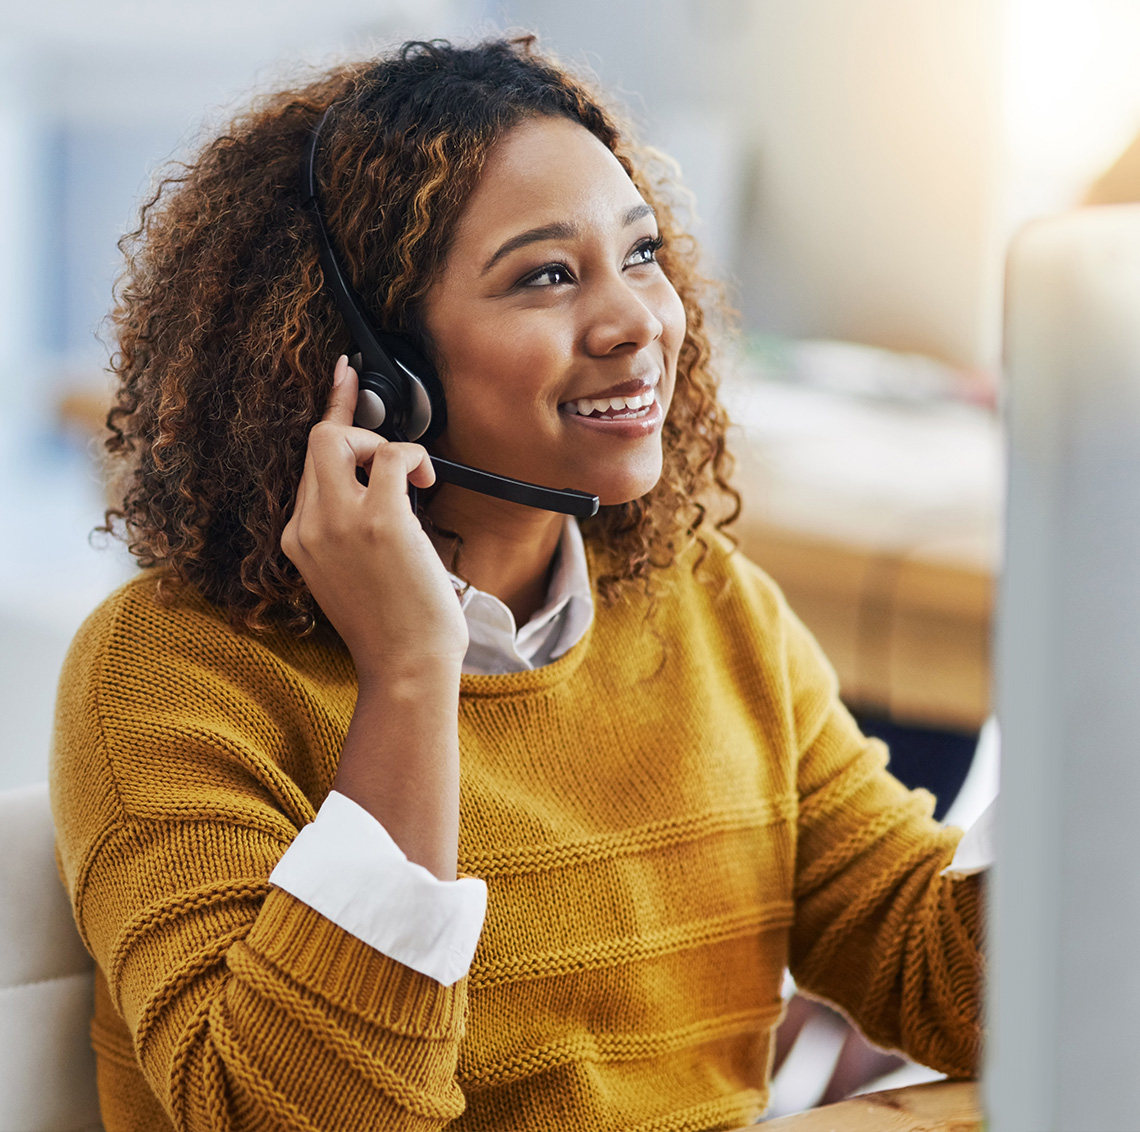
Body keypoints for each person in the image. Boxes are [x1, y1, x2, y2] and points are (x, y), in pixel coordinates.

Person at [50, 36, 983, 1132]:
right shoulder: (169, 672)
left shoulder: (704, 602)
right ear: (371, 367)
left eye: (641, 256)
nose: (639, 321)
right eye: (546, 275)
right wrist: (408, 675)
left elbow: (940, 973)